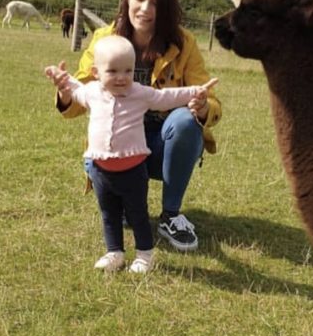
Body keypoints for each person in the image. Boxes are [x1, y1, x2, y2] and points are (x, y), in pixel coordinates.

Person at [53, 0, 222, 252]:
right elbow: (78, 99)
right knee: (122, 218)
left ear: (167, 8)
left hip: (160, 148)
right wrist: (64, 91)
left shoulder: (184, 43)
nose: (145, 8)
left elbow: (212, 101)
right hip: (113, 150)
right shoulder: (104, 38)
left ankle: (170, 215)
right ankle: (117, 199)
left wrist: (203, 106)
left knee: (184, 121)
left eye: (155, 3)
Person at [45, 35, 217, 273]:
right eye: (113, 71)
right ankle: (114, 252)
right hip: (100, 169)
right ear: (96, 72)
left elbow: (168, 97)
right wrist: (61, 79)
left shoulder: (140, 93)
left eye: (128, 71)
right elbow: (74, 88)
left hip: (133, 170)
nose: (121, 77)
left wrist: (197, 92)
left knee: (138, 215)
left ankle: (144, 255)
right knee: (109, 214)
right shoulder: (92, 92)